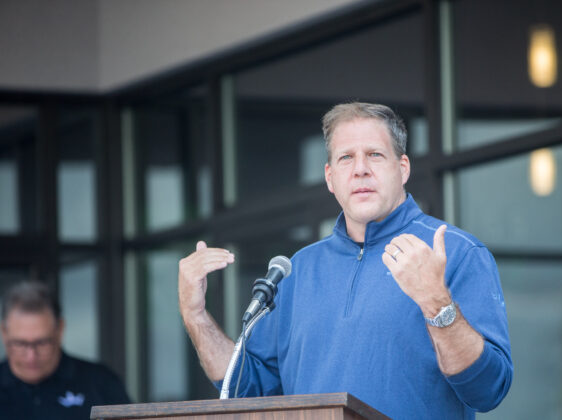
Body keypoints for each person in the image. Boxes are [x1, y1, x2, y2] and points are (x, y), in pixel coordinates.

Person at [178, 102, 512, 419]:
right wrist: (195, 316)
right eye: (346, 158)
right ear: (329, 177)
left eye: (375, 155)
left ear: (403, 168)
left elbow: (488, 391)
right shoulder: (297, 270)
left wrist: (437, 304)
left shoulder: (455, 253)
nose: (360, 170)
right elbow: (245, 393)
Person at [0, 281, 130, 420]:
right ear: (4, 333)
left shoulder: (100, 383)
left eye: (42, 343)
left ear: (60, 329)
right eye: (20, 344)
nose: (31, 356)